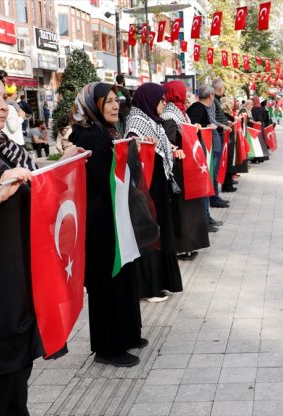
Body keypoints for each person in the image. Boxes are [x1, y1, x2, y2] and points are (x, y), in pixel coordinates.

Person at [0, 65, 43, 415]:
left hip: (16, 297)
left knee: (16, 393)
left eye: (5, 98)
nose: (4, 106)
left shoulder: (6, 148)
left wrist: (62, 167)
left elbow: (35, 192)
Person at [69, 82, 146, 367]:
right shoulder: (90, 135)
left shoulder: (108, 131)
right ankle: (108, 347)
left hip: (116, 216)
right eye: (109, 101)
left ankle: (126, 334)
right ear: (93, 105)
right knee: (107, 281)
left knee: (124, 273)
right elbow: (105, 178)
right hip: (101, 222)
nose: (116, 105)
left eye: (117, 100)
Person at [124, 83, 183, 302]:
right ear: (149, 100)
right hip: (147, 190)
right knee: (151, 233)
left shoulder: (152, 122)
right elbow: (131, 149)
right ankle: (150, 287)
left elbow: (161, 148)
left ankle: (162, 282)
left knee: (162, 231)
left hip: (159, 186)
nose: (164, 103)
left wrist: (170, 149)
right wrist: (140, 146)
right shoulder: (137, 123)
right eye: (161, 99)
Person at [160, 80, 210, 261]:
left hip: (189, 167)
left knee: (189, 208)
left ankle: (190, 244)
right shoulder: (171, 115)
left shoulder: (181, 113)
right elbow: (171, 141)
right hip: (180, 169)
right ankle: (184, 246)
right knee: (183, 208)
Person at [186, 84, 222, 232]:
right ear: (211, 95)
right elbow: (193, 128)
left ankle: (207, 217)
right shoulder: (197, 108)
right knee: (203, 187)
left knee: (207, 185)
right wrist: (207, 128)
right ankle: (204, 219)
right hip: (201, 155)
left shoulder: (201, 108)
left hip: (206, 154)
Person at [210, 79, 231, 208]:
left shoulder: (216, 101)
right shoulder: (214, 101)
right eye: (223, 88)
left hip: (219, 136)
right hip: (216, 137)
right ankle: (214, 197)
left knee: (217, 169)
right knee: (215, 169)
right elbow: (213, 119)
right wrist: (223, 125)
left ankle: (215, 196)